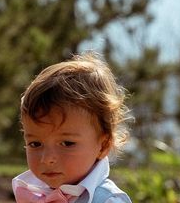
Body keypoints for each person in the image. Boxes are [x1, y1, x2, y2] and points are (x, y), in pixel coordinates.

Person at [12, 53, 132, 203]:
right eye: (35, 144)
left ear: (103, 145)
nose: (47, 159)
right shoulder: (33, 193)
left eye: (67, 143)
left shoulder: (107, 200)